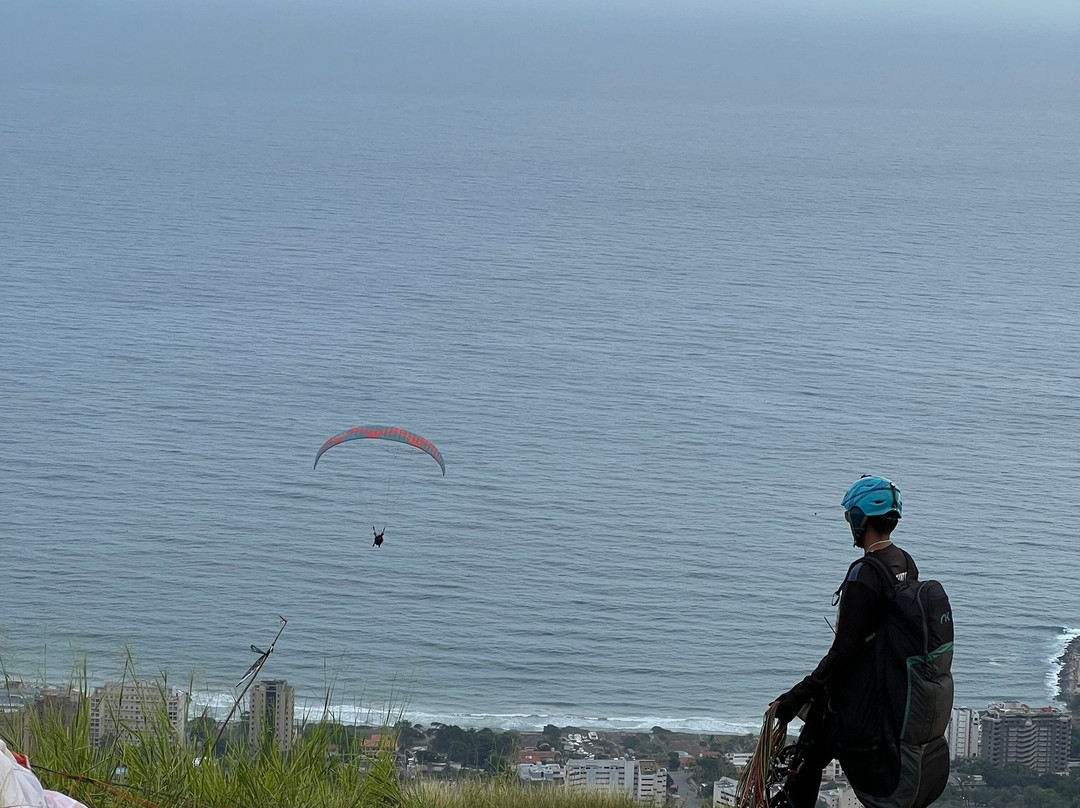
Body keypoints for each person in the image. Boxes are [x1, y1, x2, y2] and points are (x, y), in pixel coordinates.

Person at [770, 475, 914, 808]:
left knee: (801, 765)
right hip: (887, 700)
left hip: (856, 707)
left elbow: (844, 651)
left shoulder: (863, 574)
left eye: (851, 517)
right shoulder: (905, 562)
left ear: (859, 520)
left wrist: (797, 696)